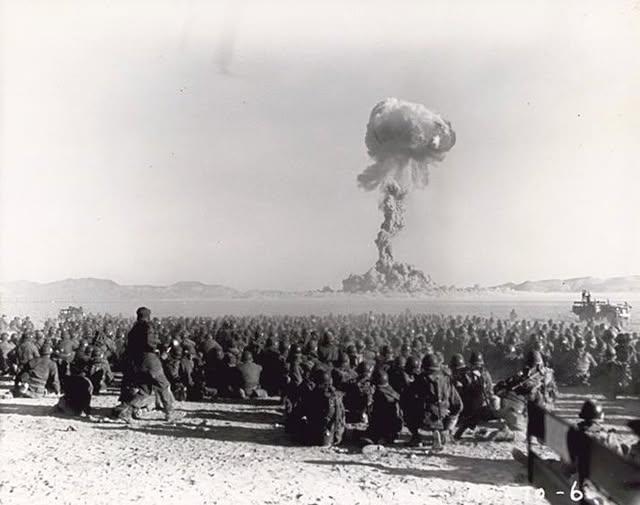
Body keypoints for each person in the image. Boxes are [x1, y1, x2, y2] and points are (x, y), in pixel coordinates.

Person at [402, 353, 462, 449]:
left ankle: (417, 438)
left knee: (407, 408)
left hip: (427, 418)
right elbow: (458, 404)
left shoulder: (421, 379)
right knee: (455, 412)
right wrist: (450, 420)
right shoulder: (446, 379)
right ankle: (446, 432)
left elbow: (407, 398)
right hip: (444, 415)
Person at [361, 369, 403, 445]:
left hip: (386, 428)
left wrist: (368, 398)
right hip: (395, 428)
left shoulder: (380, 395)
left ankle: (380, 437)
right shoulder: (392, 391)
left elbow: (374, 414)